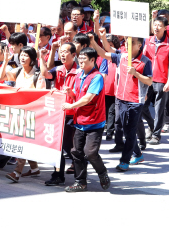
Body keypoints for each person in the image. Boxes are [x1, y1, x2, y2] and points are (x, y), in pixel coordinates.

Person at [92, 33, 152, 170]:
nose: (127, 44)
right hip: (120, 99)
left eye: (132, 42)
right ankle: (138, 154)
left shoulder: (145, 61)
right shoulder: (122, 57)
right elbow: (103, 53)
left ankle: (124, 161)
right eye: (127, 42)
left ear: (139, 45)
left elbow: (149, 81)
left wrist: (136, 73)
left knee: (130, 131)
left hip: (136, 101)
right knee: (126, 130)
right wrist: (94, 42)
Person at [62, 47, 110, 192]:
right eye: (80, 58)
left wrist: (71, 104)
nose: (80, 61)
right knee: (76, 152)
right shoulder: (79, 75)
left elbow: (88, 98)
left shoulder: (97, 77)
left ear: (93, 60)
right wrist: (72, 93)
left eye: (84, 59)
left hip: (94, 122)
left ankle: (102, 173)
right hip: (80, 121)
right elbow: (80, 94)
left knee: (90, 153)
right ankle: (80, 181)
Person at [1, 46, 45, 182]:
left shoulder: (38, 75)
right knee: (24, 141)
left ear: (32, 59)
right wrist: (5, 61)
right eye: (21, 55)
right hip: (18, 113)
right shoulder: (18, 71)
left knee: (23, 143)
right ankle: (34, 169)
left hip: (32, 115)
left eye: (26, 55)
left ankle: (17, 172)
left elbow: (41, 96)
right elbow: (1, 77)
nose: (22, 57)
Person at [40, 41, 79, 186]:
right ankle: (58, 175)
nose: (62, 54)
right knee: (57, 146)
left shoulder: (80, 72)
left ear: (74, 55)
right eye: (61, 51)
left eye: (65, 52)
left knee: (72, 148)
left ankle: (80, 175)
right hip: (58, 114)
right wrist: (42, 58)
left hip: (74, 114)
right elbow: (46, 74)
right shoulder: (58, 69)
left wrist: (72, 93)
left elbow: (82, 95)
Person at [143, 16, 169, 144]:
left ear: (165, 28)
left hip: (161, 79)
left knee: (159, 108)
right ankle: (152, 125)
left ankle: (156, 135)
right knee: (142, 105)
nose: (156, 27)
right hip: (147, 78)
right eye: (155, 25)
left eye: (159, 25)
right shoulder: (148, 40)